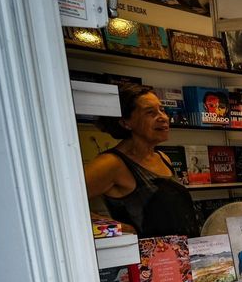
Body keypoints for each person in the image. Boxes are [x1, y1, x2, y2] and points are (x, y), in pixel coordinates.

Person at [83, 83, 200, 237]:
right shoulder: (111, 163)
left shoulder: (163, 158)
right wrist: (117, 228)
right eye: (150, 112)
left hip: (179, 256)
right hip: (145, 258)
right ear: (125, 122)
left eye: (162, 110)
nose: (163, 117)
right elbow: (63, 203)